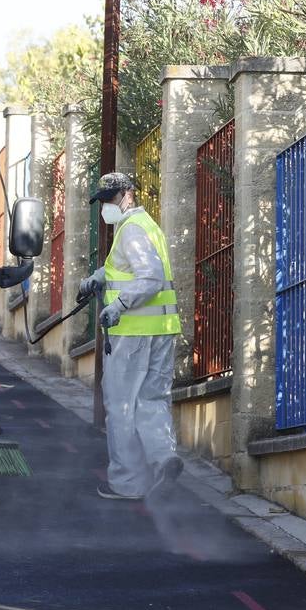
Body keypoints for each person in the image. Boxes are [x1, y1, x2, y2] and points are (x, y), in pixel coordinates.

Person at [79, 172, 185, 500]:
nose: (107, 206)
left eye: (112, 198)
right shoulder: (146, 226)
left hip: (132, 334)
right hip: (161, 331)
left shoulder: (131, 230)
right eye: (104, 200)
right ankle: (163, 457)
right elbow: (124, 271)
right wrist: (99, 277)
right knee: (151, 400)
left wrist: (119, 305)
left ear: (128, 194)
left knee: (121, 405)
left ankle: (126, 483)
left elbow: (150, 277)